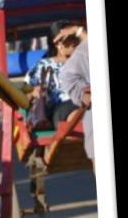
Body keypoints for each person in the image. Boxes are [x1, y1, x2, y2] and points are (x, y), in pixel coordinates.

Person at [25, 21, 82, 128]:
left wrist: (78, 30)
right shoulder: (43, 65)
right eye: (70, 39)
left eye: (76, 38)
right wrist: (33, 92)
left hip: (87, 101)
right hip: (64, 108)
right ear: (57, 43)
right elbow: (24, 96)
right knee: (79, 113)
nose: (75, 42)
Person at [59, 26, 93, 165]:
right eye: (67, 41)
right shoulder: (44, 64)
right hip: (62, 104)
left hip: (80, 106)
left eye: (74, 41)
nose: (72, 44)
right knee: (72, 112)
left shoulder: (82, 54)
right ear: (58, 44)